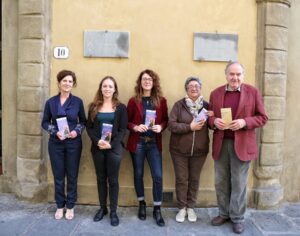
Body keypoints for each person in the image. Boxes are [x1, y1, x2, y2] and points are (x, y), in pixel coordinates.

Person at [208, 62, 268, 234]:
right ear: (226, 75)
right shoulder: (216, 93)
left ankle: (237, 218)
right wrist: (214, 122)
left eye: (238, 74)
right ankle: (223, 213)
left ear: (243, 75)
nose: (235, 77)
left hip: (242, 145)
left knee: (239, 183)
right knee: (221, 181)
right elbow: (209, 117)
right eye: (231, 74)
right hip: (221, 143)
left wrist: (244, 122)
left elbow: (263, 117)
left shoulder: (253, 92)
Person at [41, 70, 86, 220]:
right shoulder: (51, 102)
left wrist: (76, 131)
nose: (67, 84)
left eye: (70, 81)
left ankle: (71, 206)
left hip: (73, 143)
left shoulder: (78, 102)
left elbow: (83, 122)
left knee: (72, 176)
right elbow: (45, 122)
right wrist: (54, 132)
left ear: (73, 84)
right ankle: (60, 206)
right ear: (59, 83)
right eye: (64, 81)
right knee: (58, 176)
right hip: (56, 144)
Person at [127, 69, 168, 227]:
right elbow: (127, 122)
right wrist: (136, 127)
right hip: (138, 142)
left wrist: (160, 127)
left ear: (154, 82)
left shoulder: (161, 101)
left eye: (150, 79)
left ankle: (157, 208)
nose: (147, 82)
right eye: (144, 79)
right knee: (138, 174)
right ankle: (142, 204)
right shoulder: (133, 101)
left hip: (153, 143)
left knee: (157, 175)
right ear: (140, 82)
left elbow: (166, 120)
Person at [168, 77, 212, 223]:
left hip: (200, 151)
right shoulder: (179, 105)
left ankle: (191, 207)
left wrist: (214, 118)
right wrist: (189, 127)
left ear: (200, 88)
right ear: (186, 89)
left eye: (197, 86)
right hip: (179, 150)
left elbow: (213, 125)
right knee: (182, 179)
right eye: (191, 86)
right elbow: (171, 125)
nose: (194, 88)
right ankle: (182, 208)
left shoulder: (207, 106)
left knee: (194, 179)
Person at [86, 76, 127, 227]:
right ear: (101, 88)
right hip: (97, 148)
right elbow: (89, 127)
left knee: (113, 180)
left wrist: (111, 144)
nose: (107, 89)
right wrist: (98, 141)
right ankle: (102, 208)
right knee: (101, 179)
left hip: (114, 149)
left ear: (115, 89)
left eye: (110, 86)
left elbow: (123, 130)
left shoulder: (121, 108)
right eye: (105, 86)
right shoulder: (93, 107)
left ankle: (113, 211)